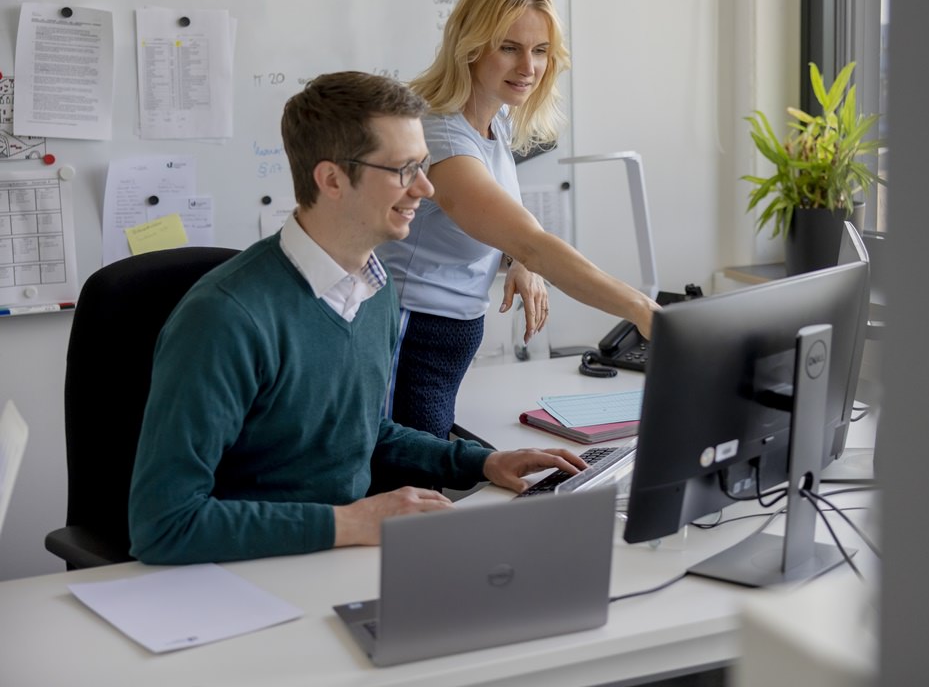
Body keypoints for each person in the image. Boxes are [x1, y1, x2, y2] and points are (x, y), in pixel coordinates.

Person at [127, 71, 585, 566]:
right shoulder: (224, 318)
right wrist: (349, 522)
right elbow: (164, 524)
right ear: (332, 180)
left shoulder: (375, 289)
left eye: (424, 166)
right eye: (404, 170)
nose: (426, 189)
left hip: (340, 558)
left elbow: (365, 431)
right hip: (245, 576)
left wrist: (482, 462)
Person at [379, 0, 658, 439]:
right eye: (509, 48)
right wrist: (643, 311)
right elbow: (529, 237)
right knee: (413, 496)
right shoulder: (442, 135)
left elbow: (495, 221)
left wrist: (518, 259)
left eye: (541, 51)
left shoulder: (494, 121)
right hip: (410, 340)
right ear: (471, 45)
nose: (528, 67)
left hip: (446, 341)